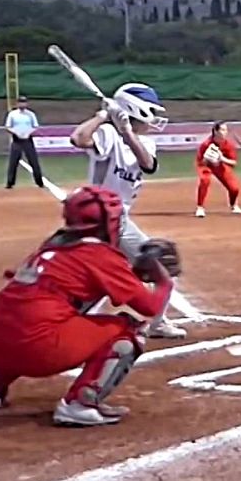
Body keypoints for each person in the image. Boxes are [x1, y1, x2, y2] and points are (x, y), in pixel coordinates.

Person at [0, 186, 174, 427]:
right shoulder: (100, 254)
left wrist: (130, 274)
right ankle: (80, 404)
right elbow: (149, 307)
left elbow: (80, 281)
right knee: (128, 330)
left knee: (34, 316)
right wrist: (164, 282)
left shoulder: (51, 247)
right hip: (35, 350)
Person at [68, 82, 185, 339]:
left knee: (104, 276)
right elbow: (78, 139)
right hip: (101, 217)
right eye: (151, 111)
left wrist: (127, 131)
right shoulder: (107, 134)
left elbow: (148, 164)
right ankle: (157, 323)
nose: (154, 118)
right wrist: (102, 116)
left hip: (118, 218)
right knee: (157, 265)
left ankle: (72, 319)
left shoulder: (144, 142)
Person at [195, 121, 241, 217]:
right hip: (207, 165)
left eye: (226, 130)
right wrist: (207, 158)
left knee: (234, 188)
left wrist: (222, 159)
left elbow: (234, 163)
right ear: (216, 131)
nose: (225, 132)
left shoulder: (228, 145)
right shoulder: (206, 144)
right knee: (205, 180)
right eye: (223, 130)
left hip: (220, 165)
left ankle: (233, 205)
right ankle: (200, 208)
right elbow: (200, 162)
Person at [3, 95, 46, 188]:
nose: (22, 104)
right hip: (16, 140)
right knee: (13, 162)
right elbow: (7, 127)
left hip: (28, 139)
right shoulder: (12, 114)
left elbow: (35, 126)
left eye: (24, 102)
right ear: (17, 103)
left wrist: (28, 133)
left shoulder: (30, 114)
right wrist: (16, 133)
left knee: (33, 161)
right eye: (20, 102)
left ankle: (39, 181)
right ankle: (10, 182)